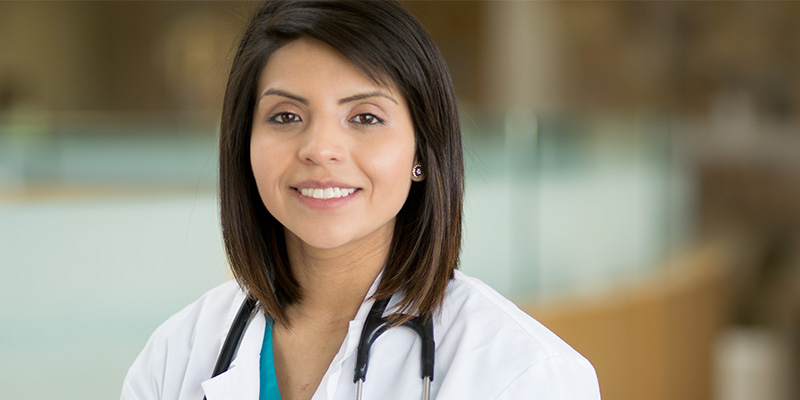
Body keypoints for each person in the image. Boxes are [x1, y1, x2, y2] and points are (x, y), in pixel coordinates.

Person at [121, 1, 600, 399]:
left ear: (421, 152)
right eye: (286, 116)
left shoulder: (524, 373)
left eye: (365, 117)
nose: (319, 149)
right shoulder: (176, 353)